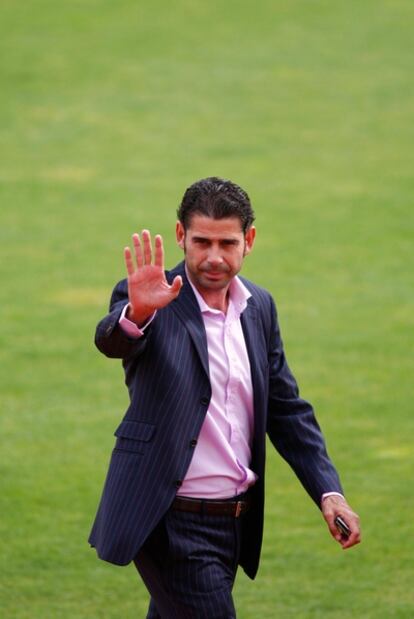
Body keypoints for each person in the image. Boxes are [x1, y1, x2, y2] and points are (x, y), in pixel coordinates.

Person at [89, 177, 361, 618]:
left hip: (232, 522)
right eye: (201, 242)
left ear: (248, 240)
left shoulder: (260, 307)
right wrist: (137, 313)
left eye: (227, 243)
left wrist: (329, 492)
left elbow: (287, 410)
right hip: (167, 521)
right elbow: (112, 340)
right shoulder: (152, 296)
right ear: (180, 236)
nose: (214, 257)